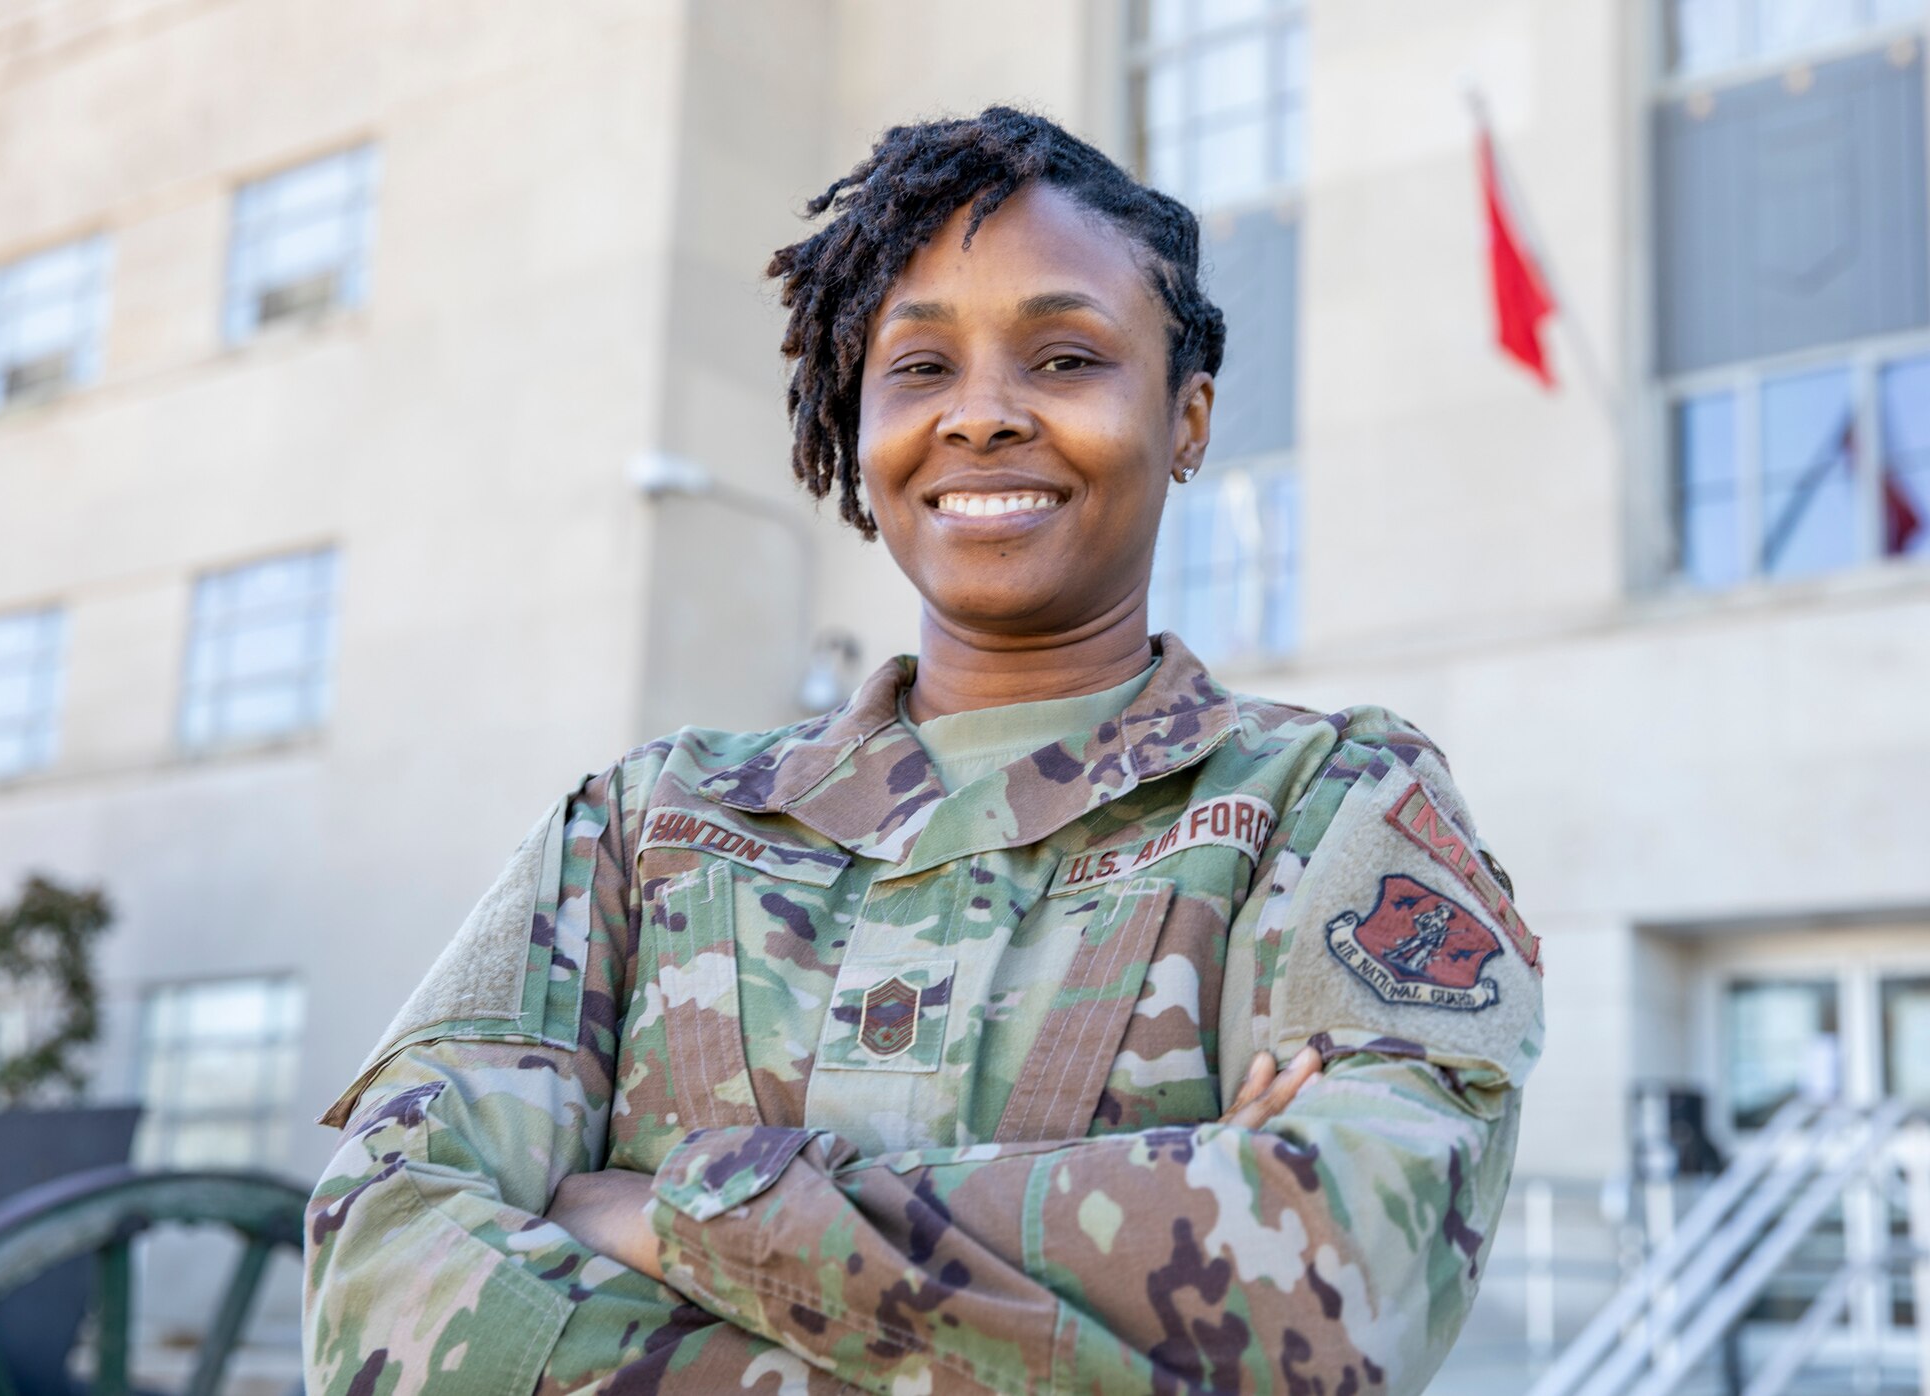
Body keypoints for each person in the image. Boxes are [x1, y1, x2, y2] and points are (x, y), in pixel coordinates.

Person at [302, 107, 1544, 1396]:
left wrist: (655, 1214)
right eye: (919, 368)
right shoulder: (642, 826)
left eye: (1065, 359)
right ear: (857, 421)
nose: (984, 416)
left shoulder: (1326, 808)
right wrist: (1131, 1256)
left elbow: (1332, 1295)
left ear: (1187, 419)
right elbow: (382, 1284)